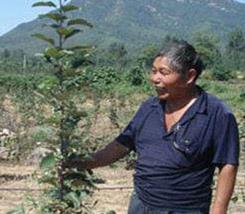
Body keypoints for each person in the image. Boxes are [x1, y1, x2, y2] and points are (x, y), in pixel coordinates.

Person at [70, 40, 239, 214]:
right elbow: (120, 146)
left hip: (185, 209)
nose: (155, 79)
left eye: (163, 72)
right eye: (153, 71)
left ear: (189, 76)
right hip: (141, 205)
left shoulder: (216, 113)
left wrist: (219, 209)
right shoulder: (149, 108)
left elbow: (228, 164)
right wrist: (82, 162)